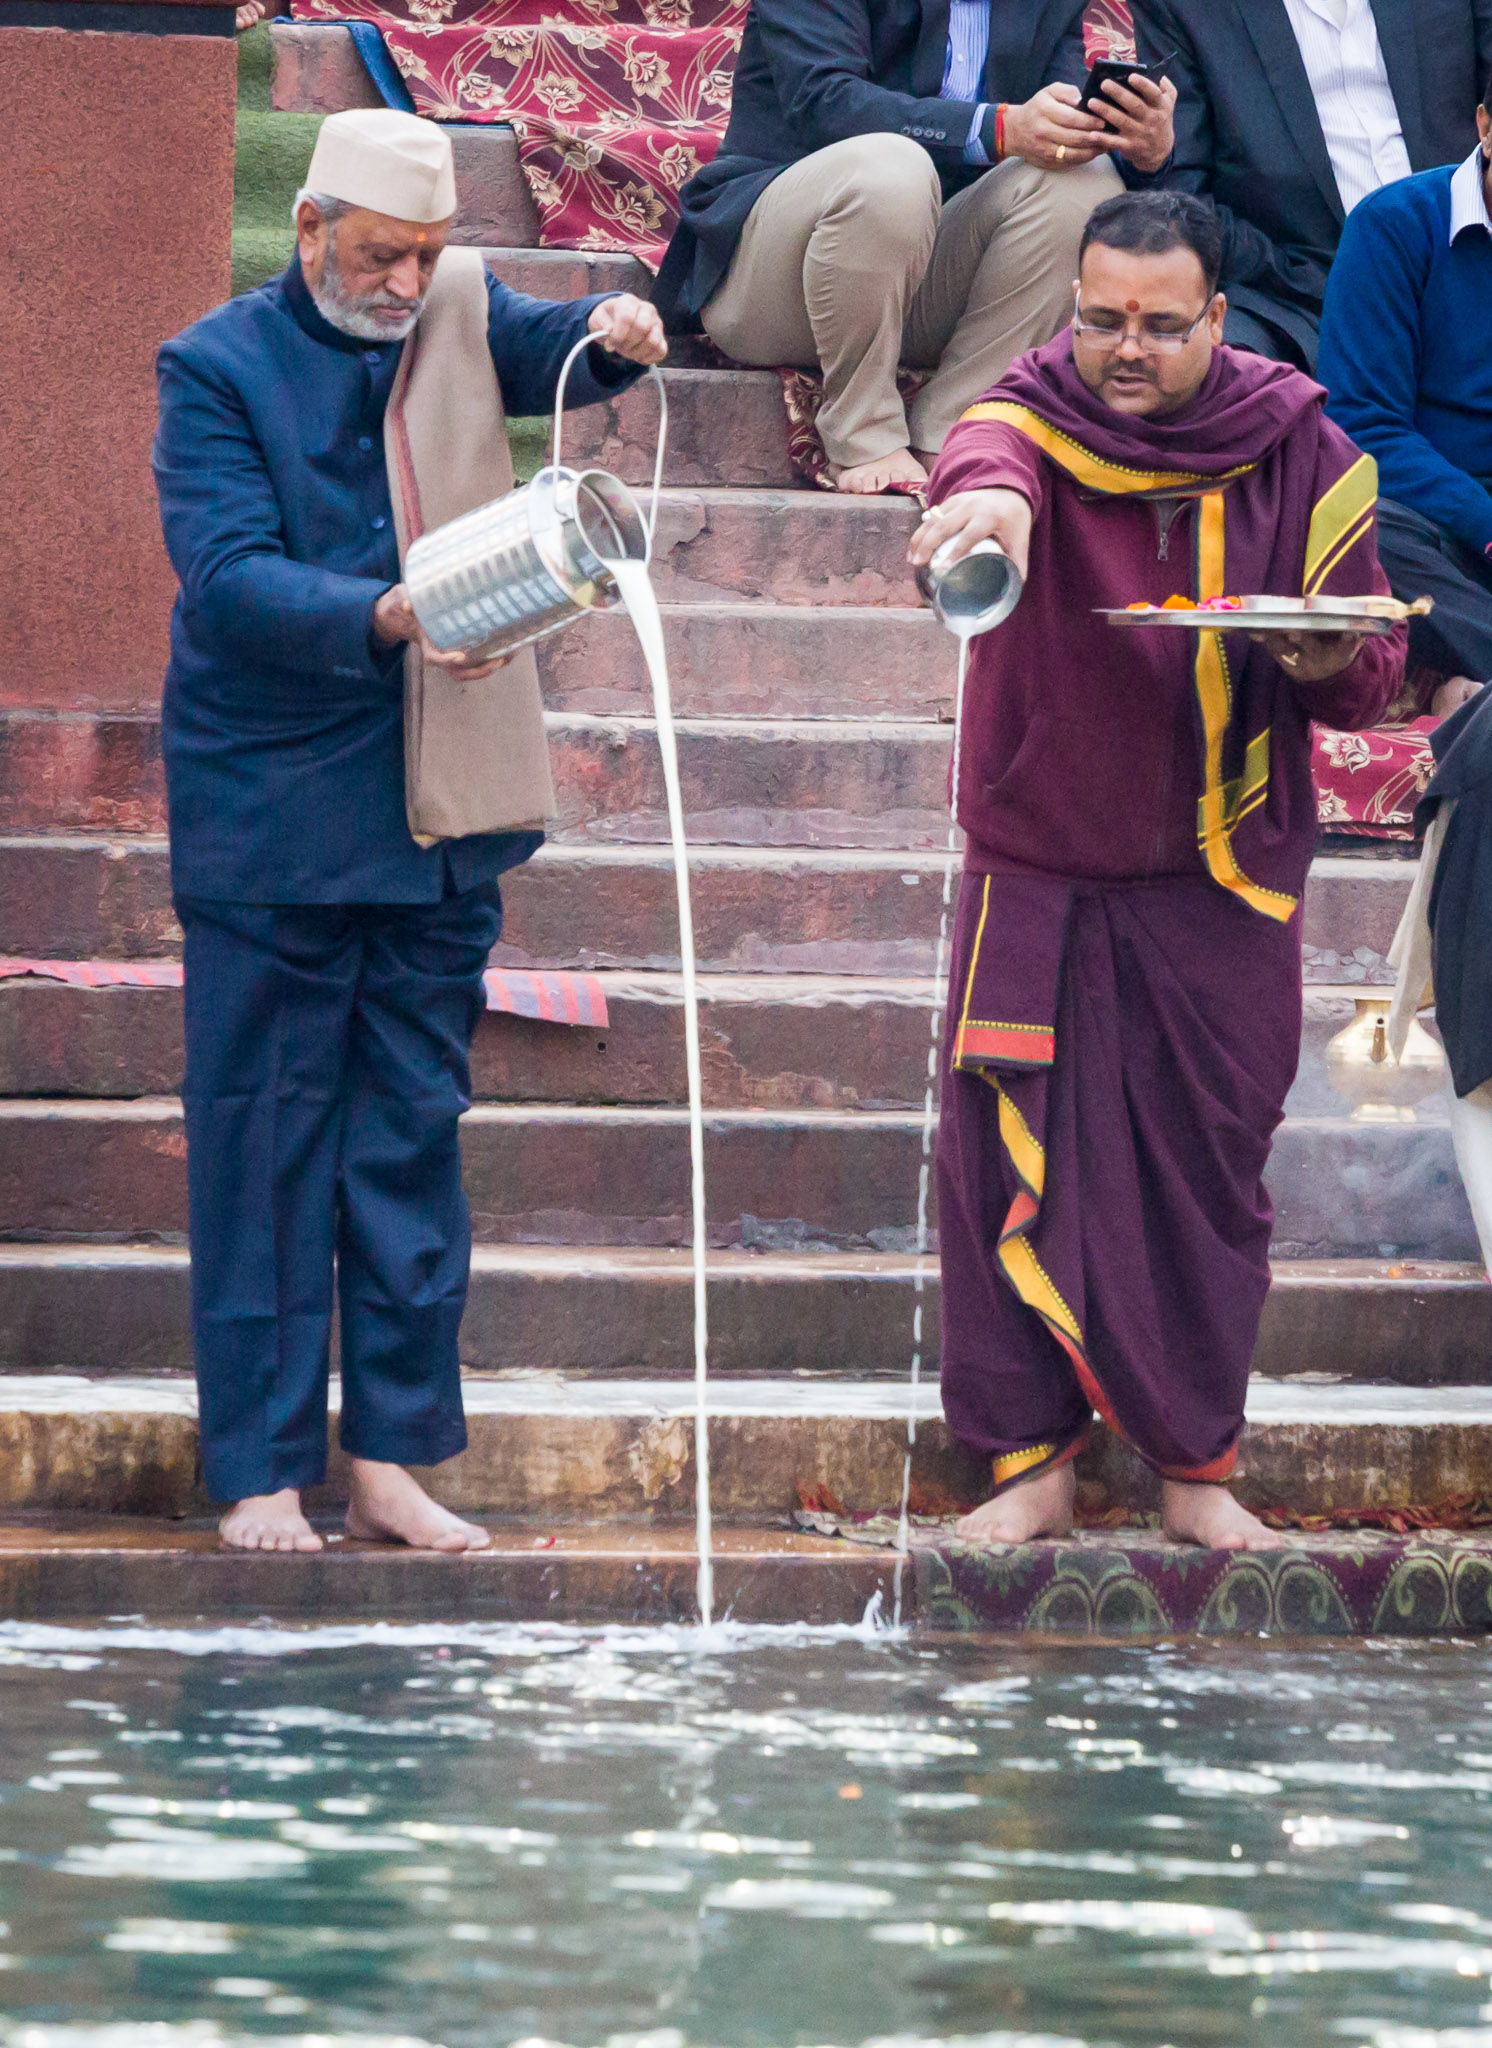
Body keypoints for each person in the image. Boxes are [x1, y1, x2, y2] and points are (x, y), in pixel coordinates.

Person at [152, 110, 666, 1556]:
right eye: (378, 254)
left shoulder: (449, 304)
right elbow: (229, 579)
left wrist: (615, 334)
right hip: (273, 820)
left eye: (428, 256)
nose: (402, 283)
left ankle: (391, 1458)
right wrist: (388, 615)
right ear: (308, 226)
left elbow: (543, 354)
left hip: (444, 817)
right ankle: (260, 1470)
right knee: (265, 1149)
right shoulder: (213, 368)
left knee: (408, 1144)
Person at [910, 189, 1405, 1549]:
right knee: (997, 1165)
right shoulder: (1028, 413)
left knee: (1212, 1178)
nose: (1123, 349)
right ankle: (1028, 1472)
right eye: (1100, 319)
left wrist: (1314, 652)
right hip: (1039, 860)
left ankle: (1198, 1473)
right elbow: (987, 465)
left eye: (1159, 326)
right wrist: (986, 523)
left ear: (1219, 320)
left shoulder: (1294, 440)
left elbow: (1367, 671)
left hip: (1220, 876)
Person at [653, 0, 1176, 497]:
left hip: (922, 285)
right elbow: (823, 100)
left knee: (1083, 181)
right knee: (893, 168)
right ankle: (863, 434)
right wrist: (994, 129)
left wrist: (1134, 149)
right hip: (778, 278)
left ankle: (961, 426)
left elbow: (1053, 134)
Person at [1131, 0, 1492, 369]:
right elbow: (1185, 196)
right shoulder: (1184, 9)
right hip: (1294, 292)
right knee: (1223, 367)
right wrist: (1298, 273)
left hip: (1469, 252)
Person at [1318, 81, 1492, 716]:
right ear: (1485, 127)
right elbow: (1363, 426)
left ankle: (1460, 678)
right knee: (1360, 529)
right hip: (1440, 527)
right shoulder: (1394, 224)